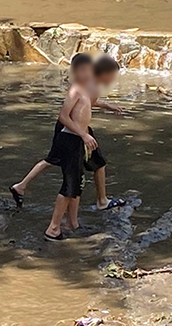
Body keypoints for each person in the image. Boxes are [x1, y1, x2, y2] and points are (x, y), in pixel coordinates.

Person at [10, 54, 125, 213]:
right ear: (104, 73)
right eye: (112, 76)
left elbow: (89, 102)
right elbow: (68, 112)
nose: (113, 80)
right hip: (71, 131)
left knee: (96, 163)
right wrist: (83, 135)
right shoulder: (87, 84)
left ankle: (100, 201)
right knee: (56, 163)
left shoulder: (93, 85)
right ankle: (25, 190)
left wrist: (108, 106)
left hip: (81, 131)